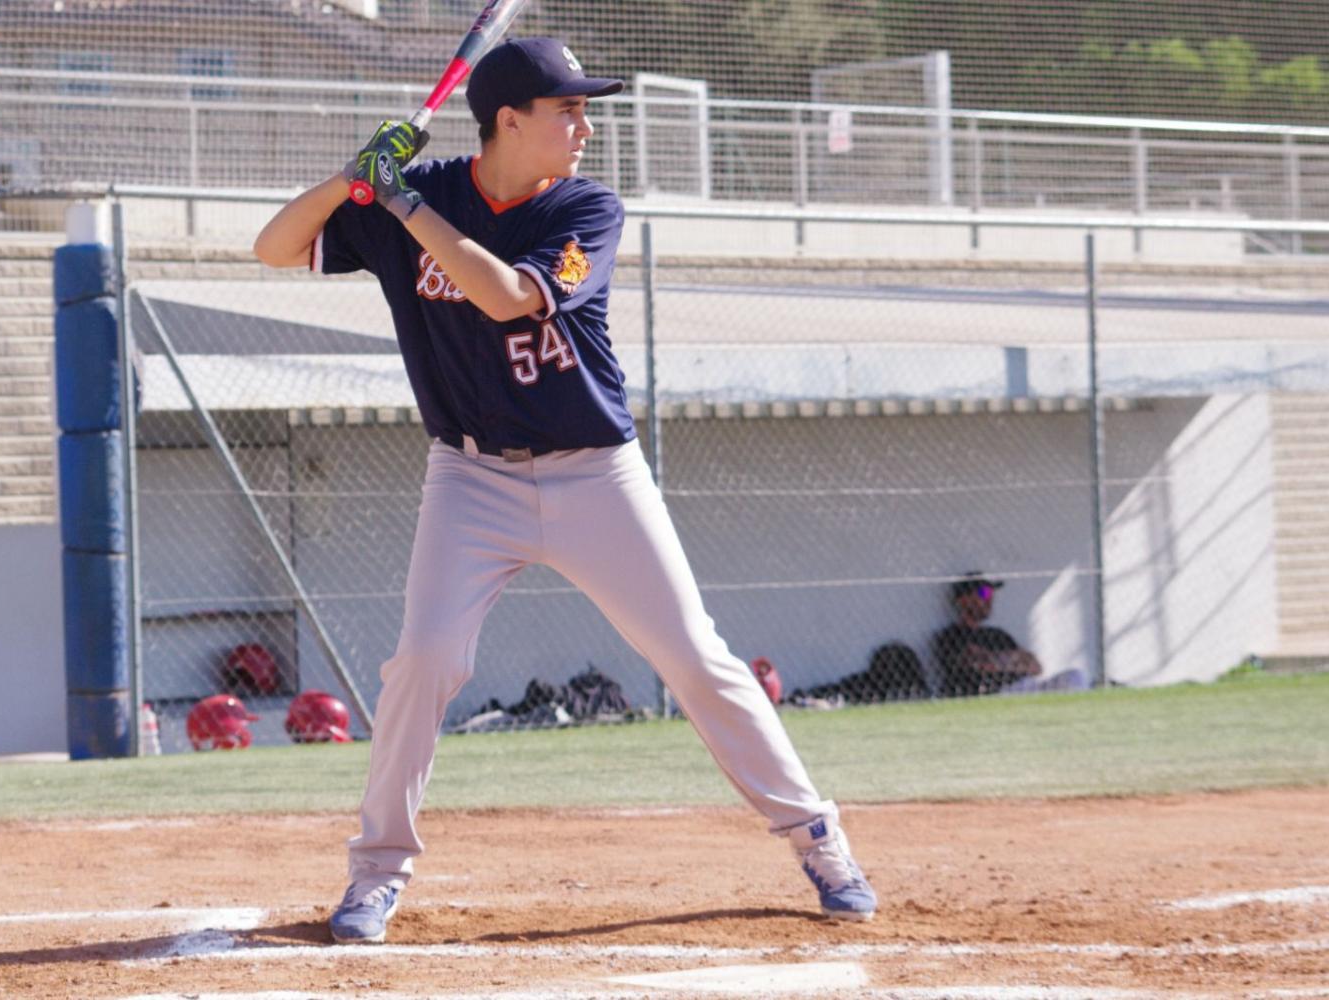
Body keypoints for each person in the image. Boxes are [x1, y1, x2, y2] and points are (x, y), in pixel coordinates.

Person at [253, 37, 877, 944]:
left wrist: (403, 204)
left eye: (585, 109)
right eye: (567, 110)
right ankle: (374, 875)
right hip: (468, 477)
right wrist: (350, 180)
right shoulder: (419, 194)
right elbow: (274, 248)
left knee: (695, 658)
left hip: (595, 475)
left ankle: (817, 838)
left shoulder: (586, 207)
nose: (585, 126)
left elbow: (508, 297)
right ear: (508, 120)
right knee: (422, 663)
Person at [932, 572, 1090, 698]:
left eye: (991, 593)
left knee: (1075, 676)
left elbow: (1035, 667)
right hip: (993, 693)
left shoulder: (998, 634)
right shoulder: (951, 635)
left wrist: (994, 659)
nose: (990, 598)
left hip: (1023, 686)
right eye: (984, 593)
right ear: (963, 600)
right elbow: (976, 664)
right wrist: (1013, 659)